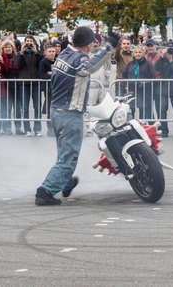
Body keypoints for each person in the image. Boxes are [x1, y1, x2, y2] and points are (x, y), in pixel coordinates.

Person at [35, 27, 118, 206]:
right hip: (70, 113)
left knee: (64, 153)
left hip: (56, 111)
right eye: (92, 43)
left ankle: (64, 181)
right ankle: (45, 190)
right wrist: (109, 48)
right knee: (69, 156)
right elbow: (91, 66)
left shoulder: (64, 53)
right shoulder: (80, 58)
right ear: (88, 44)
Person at [154, 42, 173, 137]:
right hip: (163, 88)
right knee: (162, 110)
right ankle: (164, 130)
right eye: (169, 49)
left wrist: (171, 60)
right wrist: (161, 57)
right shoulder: (162, 59)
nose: (170, 51)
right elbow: (157, 68)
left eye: (172, 49)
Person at [17, 36, 43, 136]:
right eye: (27, 41)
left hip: (35, 83)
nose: (29, 43)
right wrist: (21, 53)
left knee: (37, 107)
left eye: (31, 41)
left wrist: (36, 52)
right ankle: (27, 129)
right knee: (25, 108)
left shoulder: (37, 53)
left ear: (34, 43)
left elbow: (42, 63)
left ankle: (37, 129)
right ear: (24, 43)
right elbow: (17, 65)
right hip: (24, 83)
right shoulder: (20, 54)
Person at [122, 46, 156, 121]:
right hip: (132, 90)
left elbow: (153, 77)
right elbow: (124, 75)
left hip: (143, 91)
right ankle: (131, 126)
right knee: (131, 109)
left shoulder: (148, 64)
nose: (138, 54)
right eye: (136, 52)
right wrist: (125, 85)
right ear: (133, 54)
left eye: (140, 52)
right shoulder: (130, 64)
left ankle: (141, 127)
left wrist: (145, 82)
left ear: (143, 54)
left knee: (142, 110)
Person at [2, 40, 23, 135]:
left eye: (9, 47)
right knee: (7, 108)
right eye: (6, 47)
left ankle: (18, 128)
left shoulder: (17, 57)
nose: (8, 48)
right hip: (6, 86)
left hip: (17, 86)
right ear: (3, 49)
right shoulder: (1, 58)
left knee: (18, 109)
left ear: (12, 48)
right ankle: (7, 128)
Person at [39, 44, 56, 136]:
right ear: (46, 52)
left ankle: (56, 128)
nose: (52, 53)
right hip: (48, 88)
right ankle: (50, 129)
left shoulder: (57, 61)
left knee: (56, 108)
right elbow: (42, 75)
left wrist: (50, 73)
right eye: (50, 51)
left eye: (53, 51)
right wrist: (52, 74)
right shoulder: (43, 62)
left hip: (57, 88)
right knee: (50, 108)